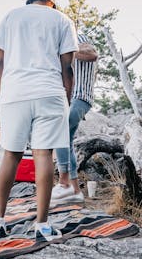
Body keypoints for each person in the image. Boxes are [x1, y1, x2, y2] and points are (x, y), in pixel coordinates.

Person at [0, 0, 78, 241]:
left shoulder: (11, 17)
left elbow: (0, 64)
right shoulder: (62, 20)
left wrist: (6, 95)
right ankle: (42, 225)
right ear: (52, 4)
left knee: (11, 156)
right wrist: (66, 100)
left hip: (14, 93)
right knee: (43, 155)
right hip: (49, 92)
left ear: (31, 0)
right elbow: (67, 67)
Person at [51, 31, 98, 203]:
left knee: (62, 133)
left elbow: (92, 54)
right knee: (65, 139)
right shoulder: (62, 44)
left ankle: (65, 185)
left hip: (81, 97)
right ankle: (75, 190)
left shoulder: (79, 39)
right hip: (69, 98)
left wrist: (69, 52)